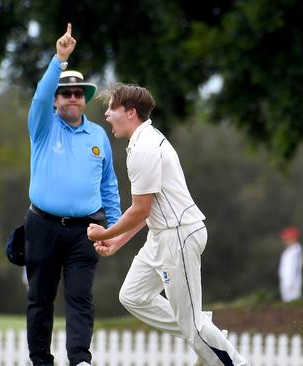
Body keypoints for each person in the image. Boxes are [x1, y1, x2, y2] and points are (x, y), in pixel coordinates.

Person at [88, 84, 247, 366]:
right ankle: (204, 331)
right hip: (163, 235)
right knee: (134, 296)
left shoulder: (144, 148)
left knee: (193, 327)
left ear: (131, 113)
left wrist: (105, 233)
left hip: (179, 236)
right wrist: (117, 241)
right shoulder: (141, 141)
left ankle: (228, 355)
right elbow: (146, 211)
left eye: (112, 108)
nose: (107, 115)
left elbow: (140, 210)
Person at [24, 23, 121, 366]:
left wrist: (115, 229)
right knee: (40, 298)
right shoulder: (43, 125)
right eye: (66, 93)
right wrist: (60, 59)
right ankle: (41, 361)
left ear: (84, 99)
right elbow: (39, 95)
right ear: (56, 99)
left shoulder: (98, 135)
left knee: (80, 297)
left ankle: (80, 360)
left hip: (85, 230)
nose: (72, 97)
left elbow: (109, 186)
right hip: (43, 226)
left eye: (78, 93)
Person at [278, 226, 303, 302]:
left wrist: (291, 282)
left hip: (292, 283)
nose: (285, 241)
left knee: (293, 301)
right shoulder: (288, 251)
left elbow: (294, 268)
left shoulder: (296, 250)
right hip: (285, 281)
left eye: (287, 239)